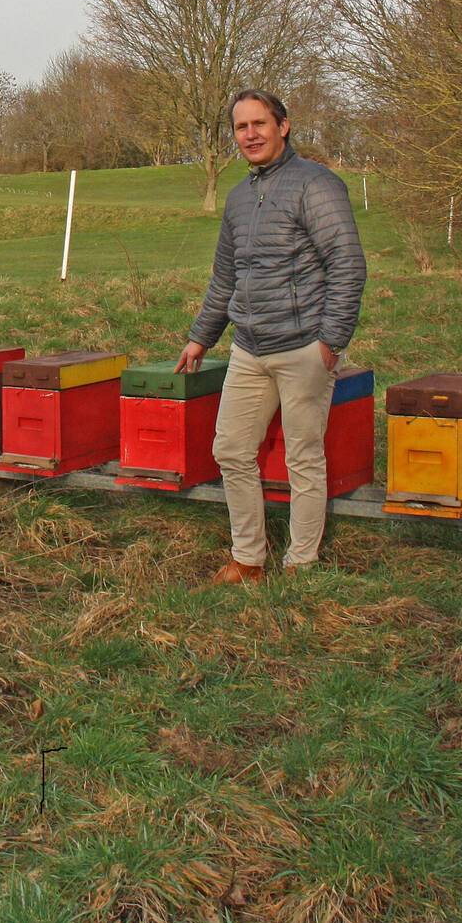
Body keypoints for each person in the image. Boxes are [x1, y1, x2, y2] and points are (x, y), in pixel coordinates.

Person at [177, 90, 366, 583]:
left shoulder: (316, 184)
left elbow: (346, 263)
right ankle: (248, 559)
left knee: (304, 456)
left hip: (304, 346)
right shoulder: (240, 197)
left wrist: (331, 340)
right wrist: (201, 337)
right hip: (249, 347)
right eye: (241, 127)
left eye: (259, 124)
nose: (251, 135)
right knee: (231, 450)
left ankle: (301, 563)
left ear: (283, 126)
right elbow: (225, 276)